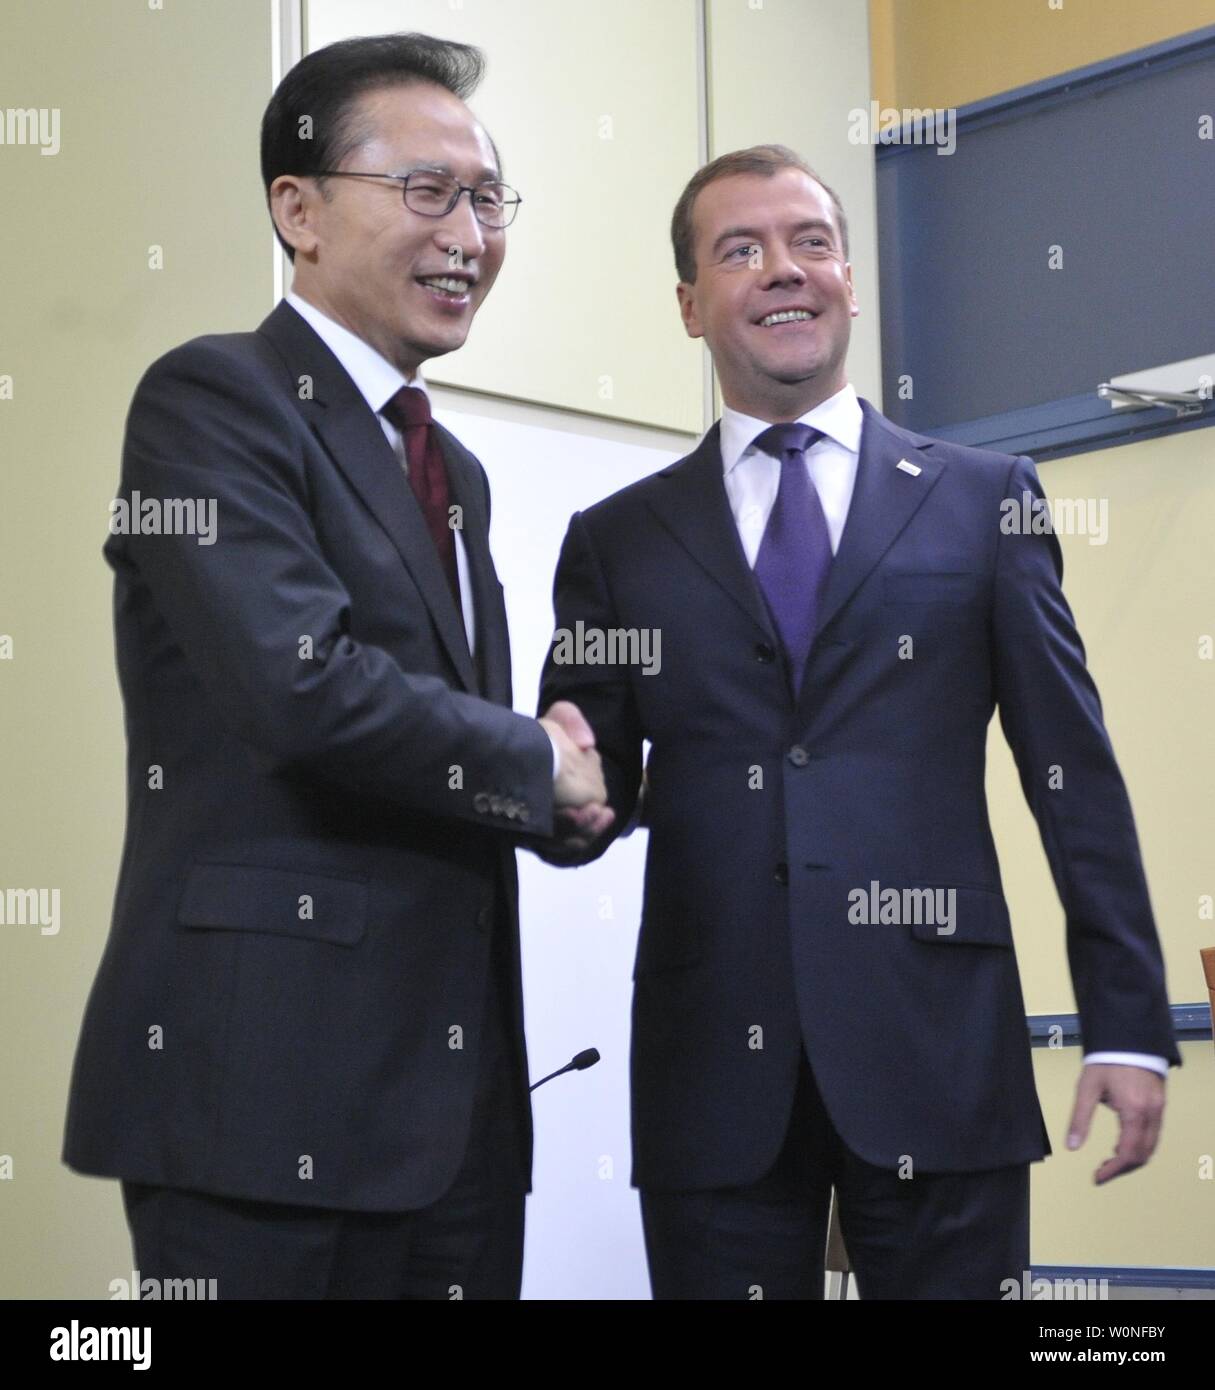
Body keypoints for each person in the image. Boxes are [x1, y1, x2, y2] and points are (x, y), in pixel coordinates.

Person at [538, 144, 1179, 1300]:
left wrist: (1126, 1024)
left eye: (811, 241)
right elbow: (591, 775)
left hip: (938, 1050)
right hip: (710, 1070)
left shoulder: (985, 498)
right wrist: (557, 787)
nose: (783, 270)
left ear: (847, 276)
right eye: (740, 250)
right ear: (690, 304)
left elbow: (1070, 774)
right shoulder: (617, 539)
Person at [62, 31, 609, 1300]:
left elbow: (439, 742)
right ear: (296, 209)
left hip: (460, 1121)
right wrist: (538, 758)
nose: (468, 232)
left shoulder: (452, 470)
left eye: (487, 198)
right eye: (426, 192)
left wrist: (570, 800)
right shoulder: (211, 399)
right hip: (265, 1103)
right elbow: (300, 687)